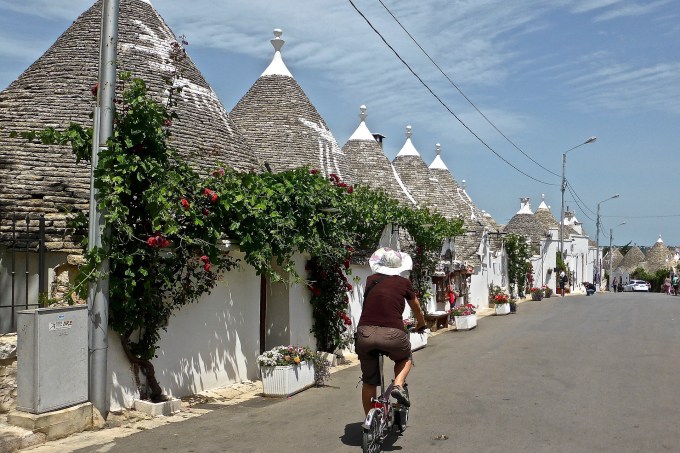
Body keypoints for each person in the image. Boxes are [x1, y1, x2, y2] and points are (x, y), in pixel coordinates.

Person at [356, 247, 426, 415]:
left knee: (369, 382)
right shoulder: (403, 283)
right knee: (406, 356)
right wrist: (421, 323)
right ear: (399, 266)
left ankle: (370, 422)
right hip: (393, 333)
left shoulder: (370, 280)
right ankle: (398, 385)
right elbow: (415, 305)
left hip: (365, 333)